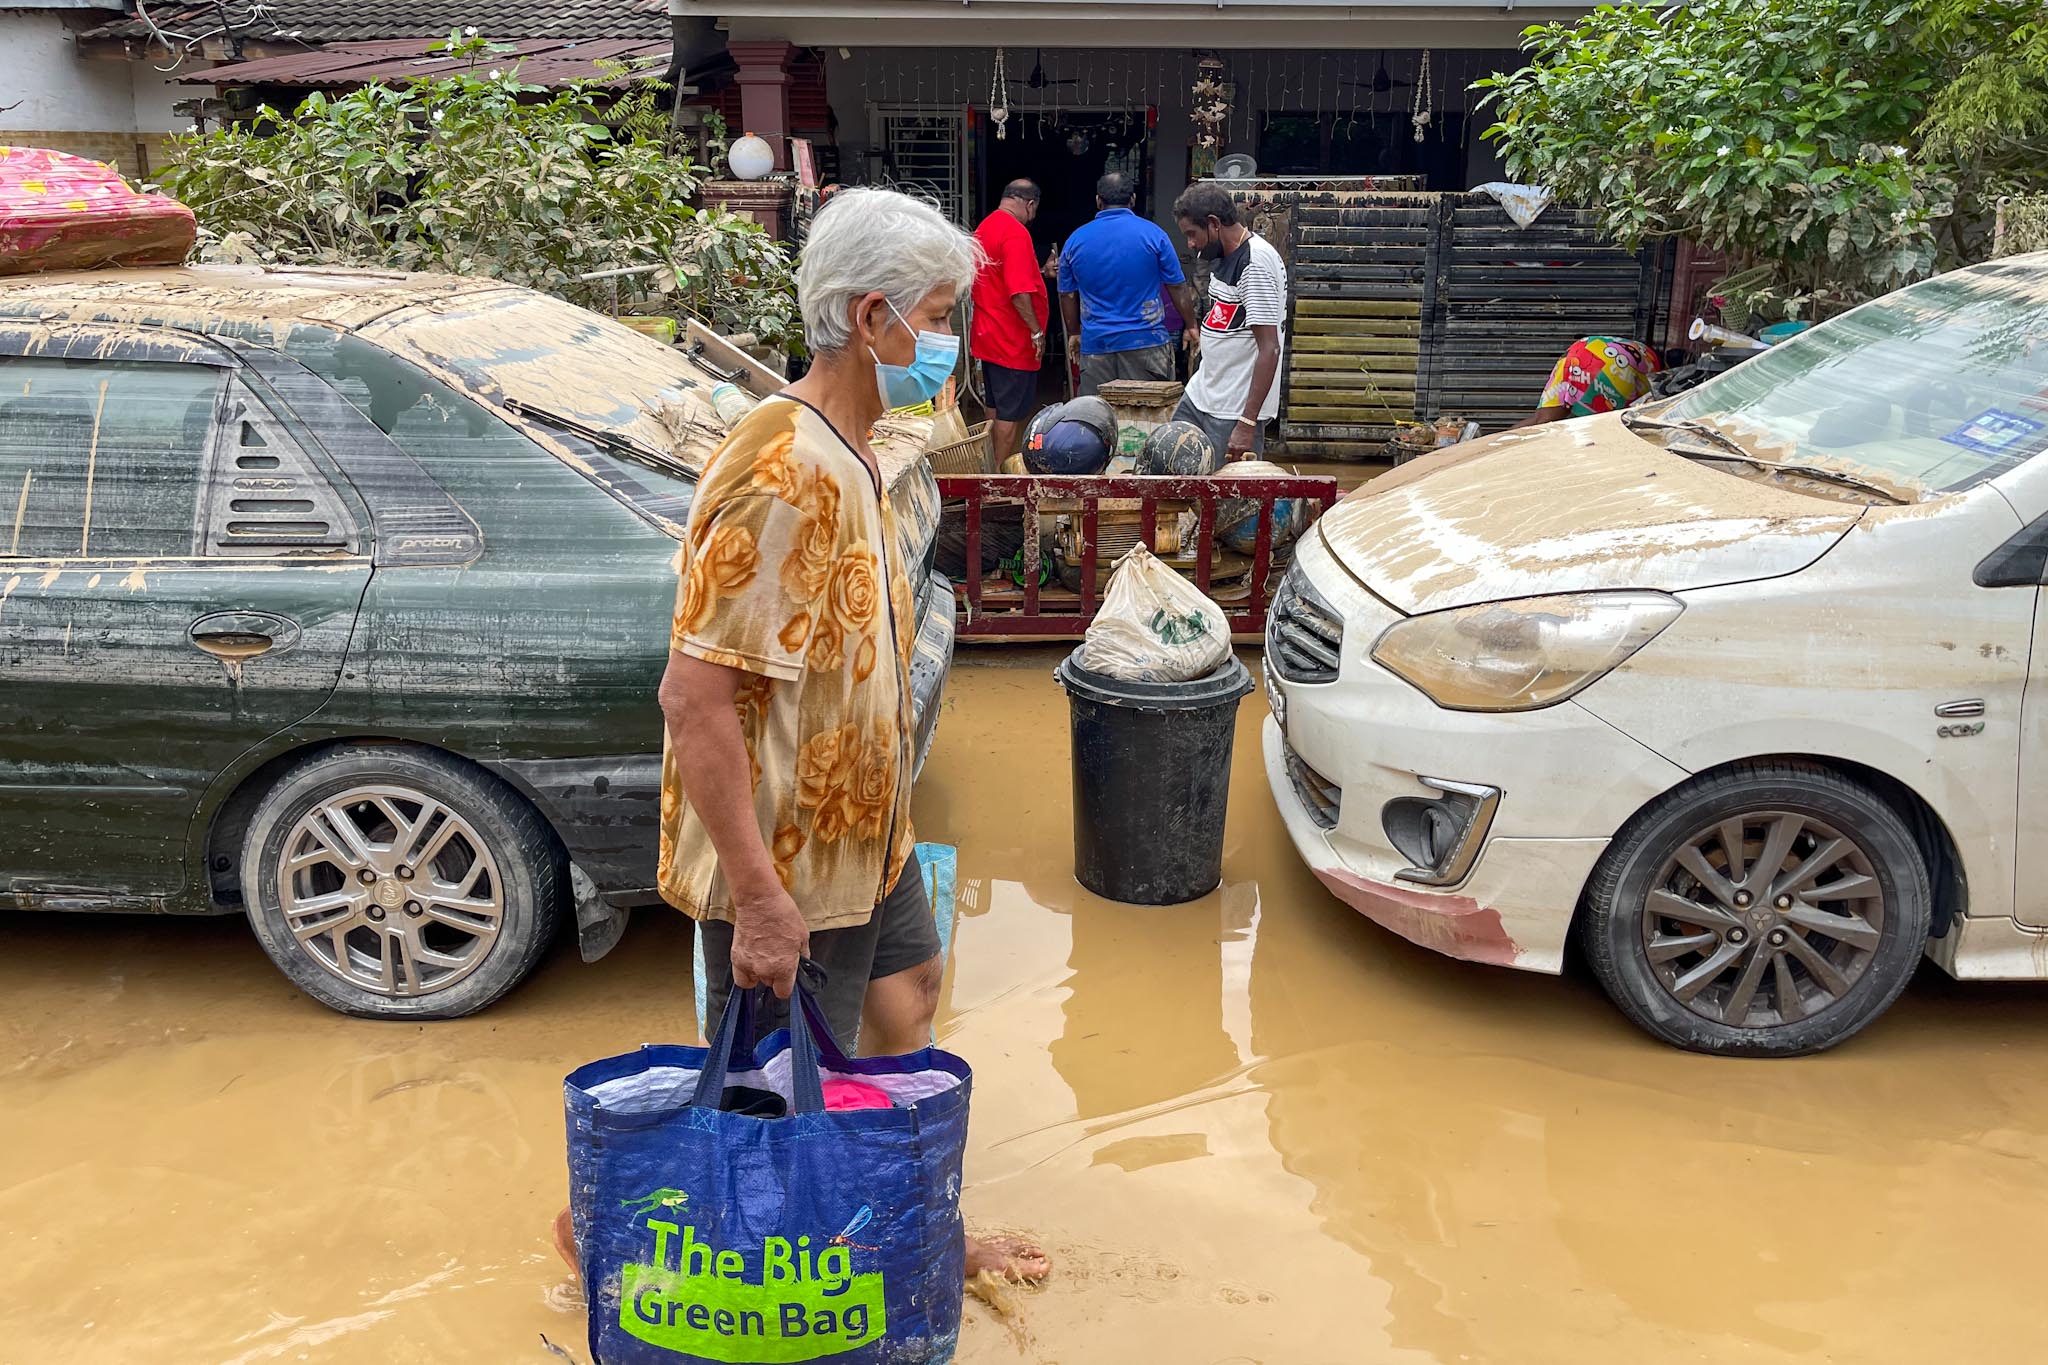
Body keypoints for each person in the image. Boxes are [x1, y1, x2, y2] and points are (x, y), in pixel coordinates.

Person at [554, 188, 1050, 1288]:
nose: (951, 339)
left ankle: (899, 1214)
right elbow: (693, 698)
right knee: (765, 1102)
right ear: (873, 320)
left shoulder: (852, 446)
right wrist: (763, 901)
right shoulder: (784, 474)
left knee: (906, 998)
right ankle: (629, 1231)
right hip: (790, 866)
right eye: (938, 314)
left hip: (860, 835)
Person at [1173, 183, 1287, 462]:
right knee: (1171, 474)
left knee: (1228, 499)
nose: (1190, 244)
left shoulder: (1254, 263)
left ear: (1214, 224)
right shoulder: (1223, 255)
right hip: (1202, 394)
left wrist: (1247, 422)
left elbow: (1269, 349)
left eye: (1192, 234)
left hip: (1231, 410)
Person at [1058, 172, 1199, 396]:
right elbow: (1177, 286)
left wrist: (1074, 331)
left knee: (1097, 419)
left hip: (1097, 344)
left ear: (1098, 201)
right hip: (1147, 342)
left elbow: (1067, 294)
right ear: (1132, 200)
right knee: (1147, 421)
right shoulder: (1154, 235)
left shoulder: (1076, 240)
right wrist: (1191, 324)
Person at [970, 179, 1049, 460]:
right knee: (1010, 414)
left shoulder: (984, 228)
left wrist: (1040, 272)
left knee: (993, 407)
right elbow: (1017, 291)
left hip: (987, 334)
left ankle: (987, 468)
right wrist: (1036, 332)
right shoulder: (1015, 233)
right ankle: (997, 475)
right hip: (1010, 340)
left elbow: (997, 278)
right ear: (1029, 204)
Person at [1513, 336, 1662, 427]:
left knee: (1542, 421)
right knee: (1607, 427)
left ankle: (1498, 445)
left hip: (1582, 354)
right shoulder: (1655, 369)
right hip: (1631, 360)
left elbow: (1543, 421)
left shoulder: (1570, 369)